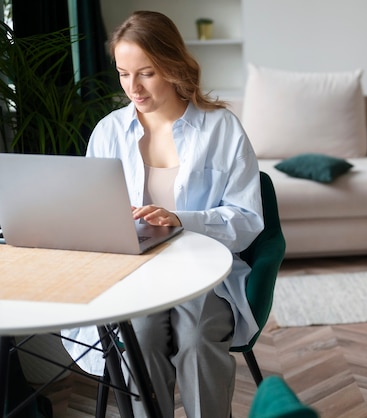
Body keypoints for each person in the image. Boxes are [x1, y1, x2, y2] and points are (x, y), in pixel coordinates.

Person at [62, 10, 263, 418]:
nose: (132, 87)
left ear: (172, 66)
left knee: (198, 334)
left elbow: (246, 221)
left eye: (146, 73)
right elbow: (88, 217)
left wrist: (179, 219)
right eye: (122, 73)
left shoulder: (221, 128)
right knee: (141, 334)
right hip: (135, 274)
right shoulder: (108, 132)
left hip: (205, 270)